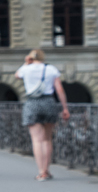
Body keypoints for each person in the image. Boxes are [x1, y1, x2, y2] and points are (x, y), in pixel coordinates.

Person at [15, 47, 70, 181]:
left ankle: (41, 172)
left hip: (32, 103)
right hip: (48, 102)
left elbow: (17, 75)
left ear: (31, 58)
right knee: (47, 139)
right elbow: (59, 89)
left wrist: (25, 63)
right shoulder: (51, 69)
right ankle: (47, 170)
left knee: (37, 140)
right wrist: (65, 108)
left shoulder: (26, 69)